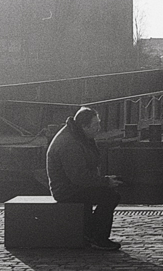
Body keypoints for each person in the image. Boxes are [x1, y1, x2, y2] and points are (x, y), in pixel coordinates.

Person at [46, 106, 123, 251]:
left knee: (108, 194)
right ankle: (98, 237)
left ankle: (90, 233)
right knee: (110, 196)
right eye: (95, 125)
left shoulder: (78, 135)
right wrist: (105, 181)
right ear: (84, 126)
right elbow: (79, 177)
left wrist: (104, 180)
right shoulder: (70, 144)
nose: (99, 128)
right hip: (67, 190)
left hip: (72, 185)